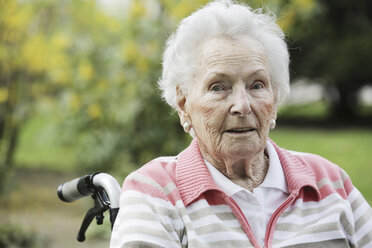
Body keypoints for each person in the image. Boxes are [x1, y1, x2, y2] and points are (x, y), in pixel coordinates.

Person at [110, 1, 372, 247]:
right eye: (218, 87)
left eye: (257, 85)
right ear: (183, 102)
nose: (242, 105)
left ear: (275, 96)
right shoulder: (155, 192)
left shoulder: (329, 182)